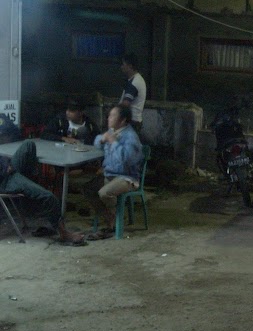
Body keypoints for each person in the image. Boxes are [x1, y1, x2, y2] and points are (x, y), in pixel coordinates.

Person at [0, 140, 86, 245]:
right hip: (4, 180)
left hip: (7, 169)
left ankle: (28, 190)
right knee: (49, 197)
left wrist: (6, 165)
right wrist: (5, 168)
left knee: (29, 145)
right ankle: (63, 233)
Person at [83, 104, 143, 240]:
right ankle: (110, 218)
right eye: (109, 115)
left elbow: (126, 160)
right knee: (88, 189)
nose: (108, 118)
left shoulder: (130, 137)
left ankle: (116, 219)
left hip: (127, 177)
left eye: (112, 116)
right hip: (110, 174)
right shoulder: (113, 131)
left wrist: (114, 142)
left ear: (122, 120)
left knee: (104, 193)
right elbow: (97, 142)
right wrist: (103, 139)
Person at [120, 53, 147, 134]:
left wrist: (113, 113)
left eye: (123, 64)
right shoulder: (136, 79)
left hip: (131, 123)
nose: (121, 66)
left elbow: (125, 104)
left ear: (130, 66)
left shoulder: (134, 83)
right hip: (134, 122)